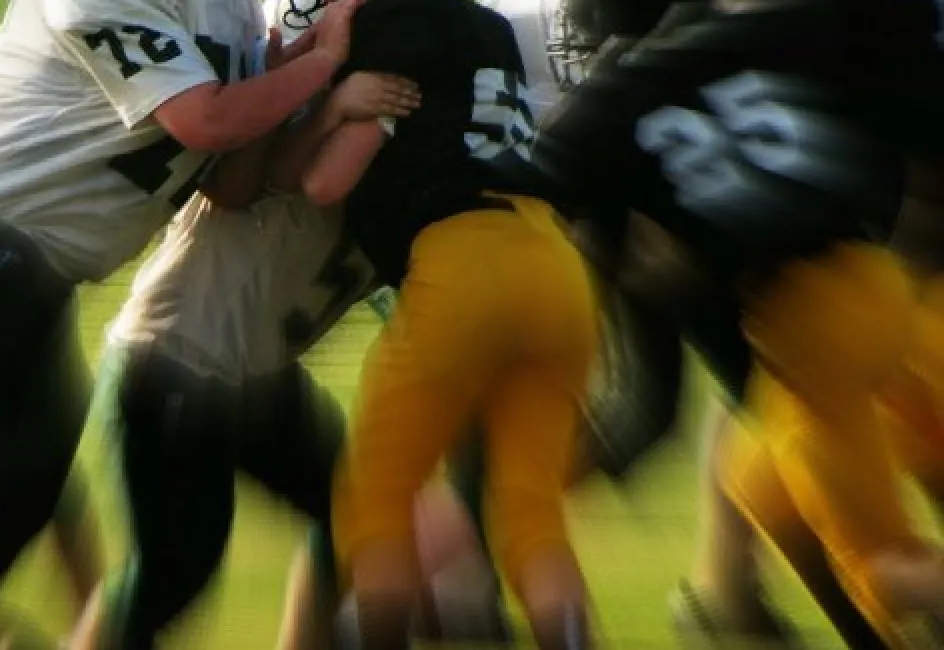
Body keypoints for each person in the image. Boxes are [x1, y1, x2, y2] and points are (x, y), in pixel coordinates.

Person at [0, 0, 371, 614]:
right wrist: (322, 63)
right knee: (5, 479)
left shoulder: (234, 13)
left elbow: (226, 186)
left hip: (32, 266)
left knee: (13, 489)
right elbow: (203, 122)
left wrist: (282, 76)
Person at [511, 0, 944, 643]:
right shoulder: (780, 35)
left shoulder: (611, 116)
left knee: (882, 565)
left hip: (811, 341)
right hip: (892, 291)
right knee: (762, 487)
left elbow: (645, 403)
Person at [70, 1, 417, 643]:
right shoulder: (310, 109)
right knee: (172, 576)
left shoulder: (409, 160)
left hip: (256, 378)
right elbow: (263, 175)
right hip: (175, 360)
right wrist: (332, 99)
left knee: (363, 517)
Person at [269, 0, 600, 646]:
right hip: (556, 264)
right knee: (532, 515)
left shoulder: (389, 27)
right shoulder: (490, 25)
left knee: (377, 499)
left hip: (463, 261)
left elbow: (323, 182)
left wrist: (332, 105)